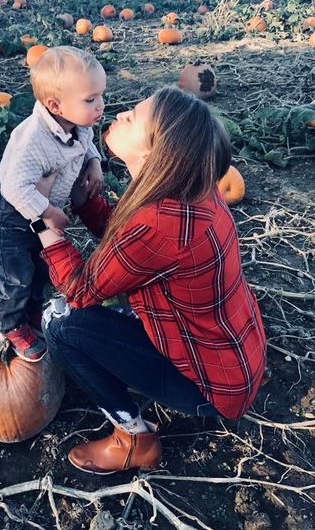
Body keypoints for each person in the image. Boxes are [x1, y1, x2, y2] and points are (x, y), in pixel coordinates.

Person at [35, 86, 267, 474]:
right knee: (97, 316)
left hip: (209, 387)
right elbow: (133, 251)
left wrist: (41, 221)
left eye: (133, 118)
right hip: (237, 361)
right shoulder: (190, 190)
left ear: (151, 155)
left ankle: (133, 439)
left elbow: (77, 289)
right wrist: (87, 202)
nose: (121, 114)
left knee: (58, 323)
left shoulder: (159, 223)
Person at [0, 46, 105, 362]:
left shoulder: (77, 121)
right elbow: (15, 187)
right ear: (55, 105)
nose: (100, 106)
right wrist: (48, 212)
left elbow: (88, 143)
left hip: (38, 203)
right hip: (10, 215)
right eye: (90, 100)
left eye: (100, 96)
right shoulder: (32, 140)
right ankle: (9, 325)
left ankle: (34, 312)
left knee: (40, 267)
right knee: (15, 275)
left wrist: (94, 163)